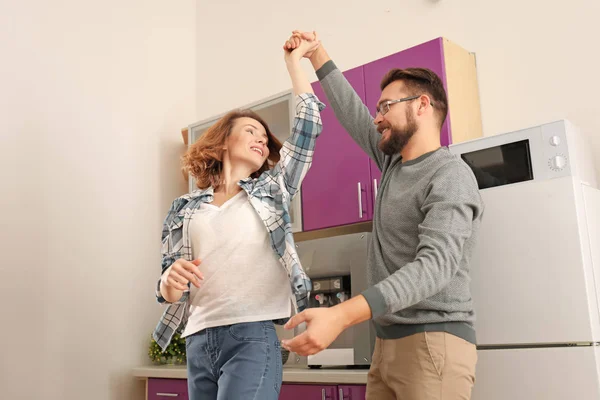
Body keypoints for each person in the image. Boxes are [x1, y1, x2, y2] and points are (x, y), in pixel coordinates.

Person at [281, 31, 484, 400]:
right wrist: (317, 54)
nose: (376, 118)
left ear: (422, 105)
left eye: (386, 107)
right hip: (386, 345)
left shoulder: (449, 175)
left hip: (433, 344)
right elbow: (352, 113)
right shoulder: (392, 163)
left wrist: (341, 315)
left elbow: (435, 266)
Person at [152, 36, 324, 400]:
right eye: (251, 131)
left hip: (251, 336)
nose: (262, 140)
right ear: (224, 142)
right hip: (197, 336)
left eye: (265, 137)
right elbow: (169, 287)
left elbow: (308, 125)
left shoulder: (273, 190)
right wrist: (170, 280)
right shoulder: (185, 208)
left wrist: (295, 63)